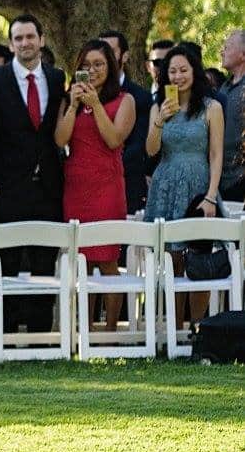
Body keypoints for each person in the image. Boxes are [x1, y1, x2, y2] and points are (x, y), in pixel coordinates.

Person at [0, 14, 65, 330]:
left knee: (44, 260)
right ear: (12, 44)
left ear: (41, 39)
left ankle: (41, 333)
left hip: (48, 187)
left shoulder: (56, 79)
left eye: (30, 37)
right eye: (18, 39)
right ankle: (8, 332)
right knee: (8, 261)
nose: (25, 43)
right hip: (9, 188)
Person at [54, 39, 135, 332]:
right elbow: (60, 140)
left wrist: (96, 104)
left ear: (110, 67)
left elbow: (114, 139)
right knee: (82, 261)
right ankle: (85, 331)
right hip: (76, 186)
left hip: (107, 187)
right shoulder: (69, 99)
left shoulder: (124, 100)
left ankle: (111, 330)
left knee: (108, 262)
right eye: (86, 65)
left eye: (98, 64)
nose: (92, 70)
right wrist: (75, 105)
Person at [145, 44, 224, 256]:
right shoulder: (157, 107)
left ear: (194, 72)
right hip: (165, 185)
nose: (178, 76)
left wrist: (211, 196)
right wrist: (160, 119)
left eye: (183, 70)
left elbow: (216, 155)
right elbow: (151, 150)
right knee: (172, 259)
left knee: (200, 256)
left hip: (199, 186)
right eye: (172, 71)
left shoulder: (212, 108)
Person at [100, 29, 153, 214]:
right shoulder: (86, 93)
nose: (105, 57)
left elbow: (138, 145)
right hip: (90, 181)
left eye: (111, 51)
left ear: (125, 55)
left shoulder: (141, 97)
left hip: (126, 183)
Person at [218, 29, 245, 204]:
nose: (222, 51)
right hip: (221, 180)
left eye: (227, 47)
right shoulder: (223, 88)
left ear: (243, 54)